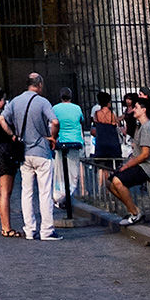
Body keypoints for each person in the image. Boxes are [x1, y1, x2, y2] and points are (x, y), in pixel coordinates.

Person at [8, 72, 59, 241]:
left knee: (27, 192)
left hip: (24, 151)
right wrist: (53, 137)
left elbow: (2, 119)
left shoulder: (15, 101)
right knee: (45, 192)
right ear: (39, 85)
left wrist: (12, 135)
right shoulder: (43, 102)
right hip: (41, 150)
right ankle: (47, 230)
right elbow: (55, 122)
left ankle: (29, 229)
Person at [108, 92, 150, 226]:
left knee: (117, 181)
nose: (133, 110)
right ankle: (135, 210)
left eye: (136, 107)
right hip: (140, 164)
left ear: (143, 110)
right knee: (109, 182)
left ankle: (135, 214)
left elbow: (145, 154)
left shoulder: (147, 128)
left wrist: (127, 166)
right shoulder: (140, 126)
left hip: (148, 167)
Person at [0, 88, 23, 237]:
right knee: (5, 193)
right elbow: (8, 133)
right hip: (5, 153)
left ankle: (5, 226)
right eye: (3, 99)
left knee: (3, 193)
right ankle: (6, 227)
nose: (5, 102)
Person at [50, 87, 85, 219]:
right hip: (75, 141)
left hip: (61, 141)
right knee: (73, 171)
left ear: (60, 97)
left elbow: (54, 123)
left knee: (60, 171)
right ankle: (69, 192)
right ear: (71, 96)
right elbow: (81, 121)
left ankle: (60, 194)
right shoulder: (77, 108)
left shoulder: (55, 108)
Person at [86, 92, 122, 205]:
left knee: (101, 167)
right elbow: (116, 125)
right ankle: (109, 190)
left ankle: (101, 189)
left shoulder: (97, 114)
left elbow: (94, 127)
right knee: (111, 167)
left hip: (101, 142)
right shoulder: (112, 114)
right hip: (112, 141)